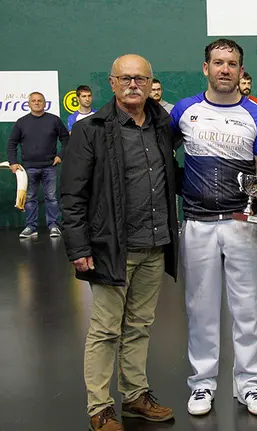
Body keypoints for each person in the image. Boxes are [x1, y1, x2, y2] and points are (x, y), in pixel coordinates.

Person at [61, 54, 178, 431]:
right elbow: (72, 195)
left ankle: (134, 396)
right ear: (112, 83)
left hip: (155, 244)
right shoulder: (91, 129)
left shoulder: (162, 125)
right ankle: (100, 406)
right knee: (106, 329)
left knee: (140, 325)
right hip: (113, 247)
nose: (133, 85)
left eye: (140, 79)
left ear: (150, 83)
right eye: (125, 78)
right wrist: (79, 248)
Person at [171, 38, 257, 417]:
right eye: (218, 62)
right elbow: (159, 157)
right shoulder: (184, 111)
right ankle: (202, 384)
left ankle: (250, 385)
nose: (225, 69)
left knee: (248, 308)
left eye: (232, 63)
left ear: (240, 70)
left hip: (242, 223)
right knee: (200, 308)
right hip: (197, 223)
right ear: (206, 68)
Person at [6, 91, 68, 238]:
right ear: (28, 104)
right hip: (28, 168)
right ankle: (30, 227)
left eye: (39, 100)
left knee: (51, 198)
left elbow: (66, 139)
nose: (37, 103)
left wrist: (60, 156)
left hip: (49, 167)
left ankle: (54, 226)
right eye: (33, 100)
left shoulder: (54, 120)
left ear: (45, 103)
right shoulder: (21, 122)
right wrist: (13, 162)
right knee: (30, 199)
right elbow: (11, 144)